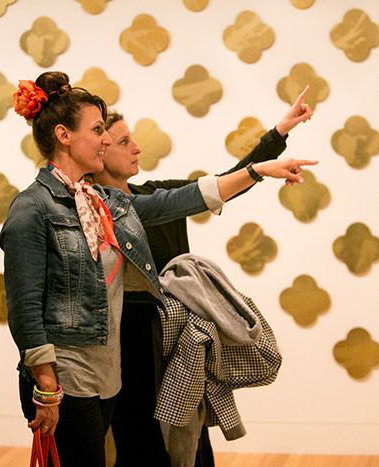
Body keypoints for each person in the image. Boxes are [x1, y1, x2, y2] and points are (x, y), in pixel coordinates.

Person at [0, 70, 315, 467]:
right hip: (68, 378)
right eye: (99, 130)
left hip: (107, 374)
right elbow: (24, 306)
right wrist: (45, 386)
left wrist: (259, 167)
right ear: (64, 136)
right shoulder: (32, 209)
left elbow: (187, 197)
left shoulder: (101, 202)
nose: (107, 140)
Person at [90, 89, 312, 466]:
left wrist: (278, 133)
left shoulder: (158, 193)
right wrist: (261, 167)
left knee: (188, 440)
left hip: (176, 339)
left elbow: (225, 182)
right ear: (100, 151)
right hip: (132, 344)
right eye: (124, 141)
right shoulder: (99, 210)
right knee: (142, 440)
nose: (137, 148)